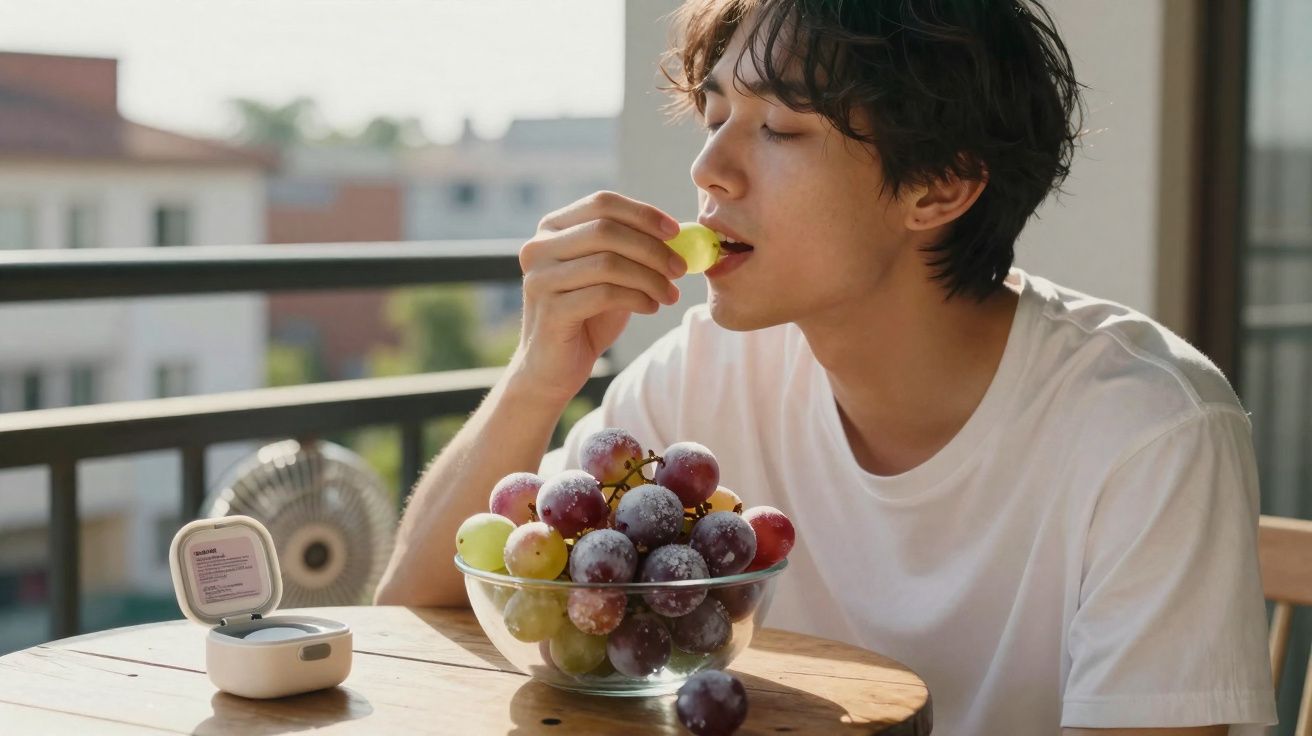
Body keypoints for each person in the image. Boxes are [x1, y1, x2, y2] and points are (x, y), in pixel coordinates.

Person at [375, 1, 1277, 733]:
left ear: (940, 186)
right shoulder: (700, 376)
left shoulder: (1150, 430)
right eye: (717, 113)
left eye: (779, 128)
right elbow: (409, 626)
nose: (709, 168)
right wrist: (540, 375)